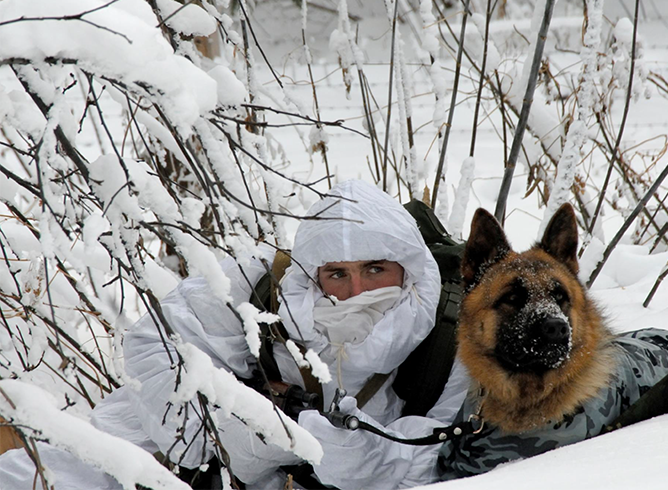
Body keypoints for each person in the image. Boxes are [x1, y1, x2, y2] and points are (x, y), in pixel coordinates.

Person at [0, 179, 469, 490]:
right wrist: (270, 427)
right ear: (312, 273)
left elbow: (442, 454)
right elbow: (165, 373)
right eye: (338, 274)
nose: (356, 291)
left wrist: (351, 452)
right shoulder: (254, 288)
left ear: (408, 268)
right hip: (140, 460)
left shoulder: (452, 334)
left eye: (374, 269)